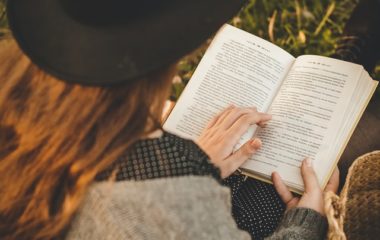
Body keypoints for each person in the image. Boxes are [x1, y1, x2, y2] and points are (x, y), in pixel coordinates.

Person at [0, 0, 339, 239]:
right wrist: (306, 222)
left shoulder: (9, 78)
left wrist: (192, 165)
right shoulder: (165, 199)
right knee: (270, 198)